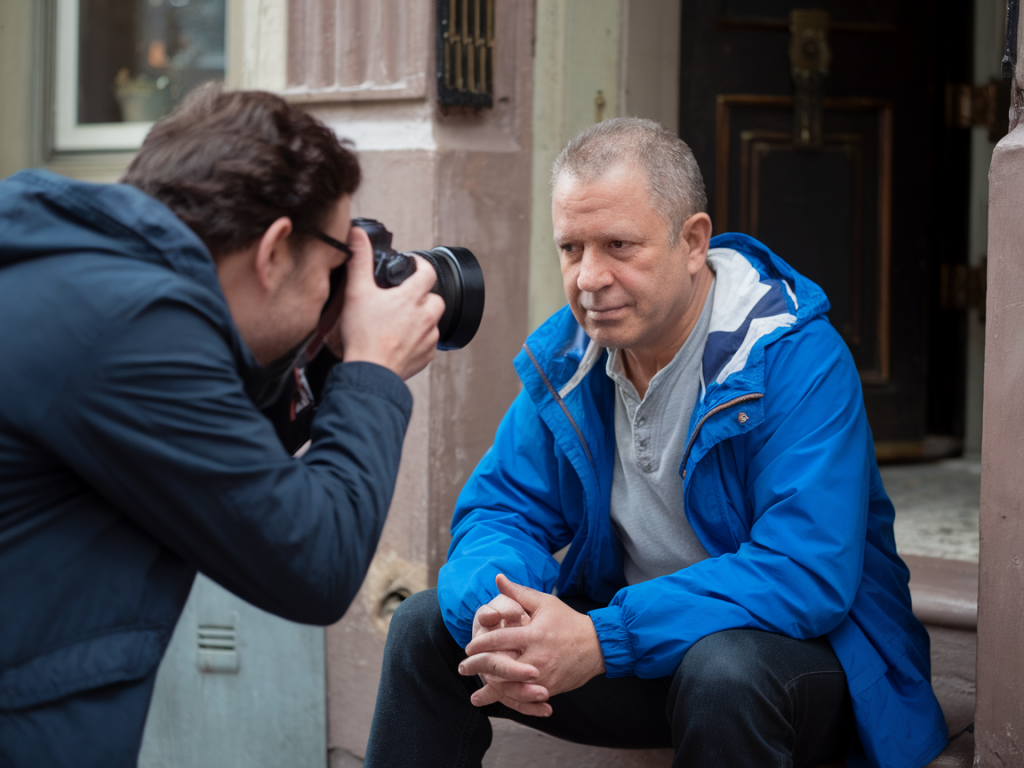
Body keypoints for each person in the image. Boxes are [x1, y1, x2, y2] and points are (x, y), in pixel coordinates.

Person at [364, 118, 948, 768]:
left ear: (693, 242)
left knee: (721, 670)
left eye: (618, 245)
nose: (589, 277)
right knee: (426, 628)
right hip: (642, 648)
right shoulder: (572, 355)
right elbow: (504, 509)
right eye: (571, 248)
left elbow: (804, 572)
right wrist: (501, 610)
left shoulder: (794, 358)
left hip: (804, 663)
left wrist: (604, 637)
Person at [0, 86, 444, 767]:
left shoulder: (72, 270)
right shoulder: (132, 330)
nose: (339, 291)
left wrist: (323, 364)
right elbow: (314, 563)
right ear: (272, 251)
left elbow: (227, 481)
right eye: (333, 267)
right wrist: (373, 369)